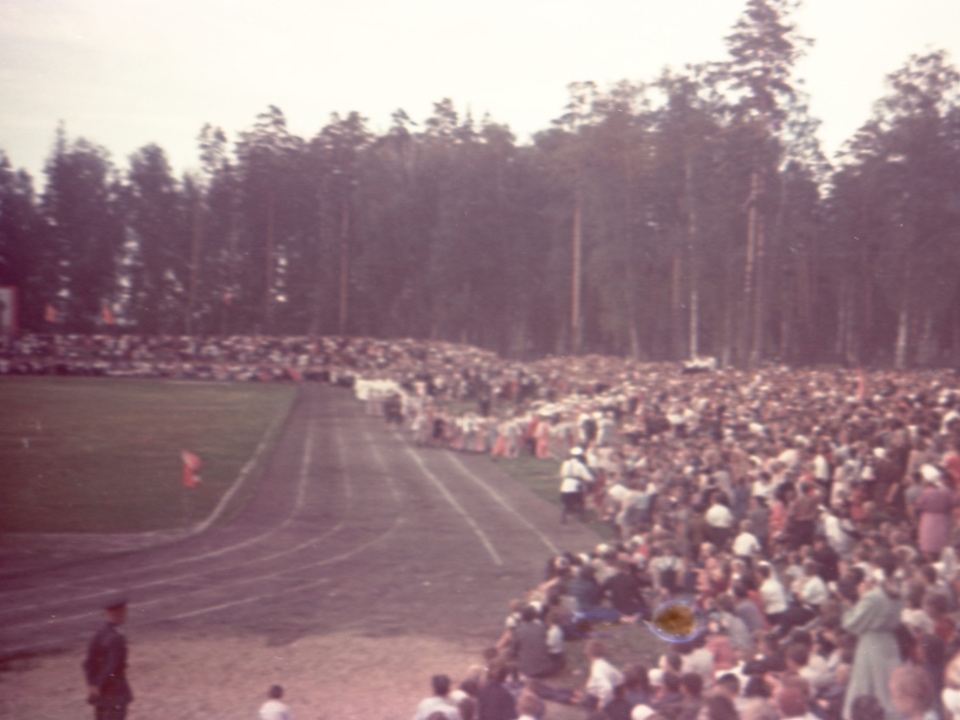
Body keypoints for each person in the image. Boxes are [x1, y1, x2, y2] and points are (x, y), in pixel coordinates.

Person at [841, 550, 905, 720]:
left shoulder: (873, 596)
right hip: (889, 643)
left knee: (867, 686)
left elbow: (850, 623)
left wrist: (859, 598)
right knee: (888, 689)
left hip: (871, 644)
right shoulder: (898, 593)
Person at [83, 595, 133, 720]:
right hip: (115, 690)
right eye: (124, 612)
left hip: (100, 693)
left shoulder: (99, 634)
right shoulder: (117, 637)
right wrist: (99, 684)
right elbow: (113, 666)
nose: (126, 615)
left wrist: (92, 684)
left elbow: (88, 662)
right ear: (119, 613)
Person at [560, 446, 594, 523]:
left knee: (567, 503)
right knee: (581, 502)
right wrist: (592, 479)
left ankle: (564, 516)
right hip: (575, 487)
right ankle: (583, 518)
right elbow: (588, 477)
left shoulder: (565, 463)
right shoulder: (580, 465)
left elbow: (562, 474)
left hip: (565, 486)